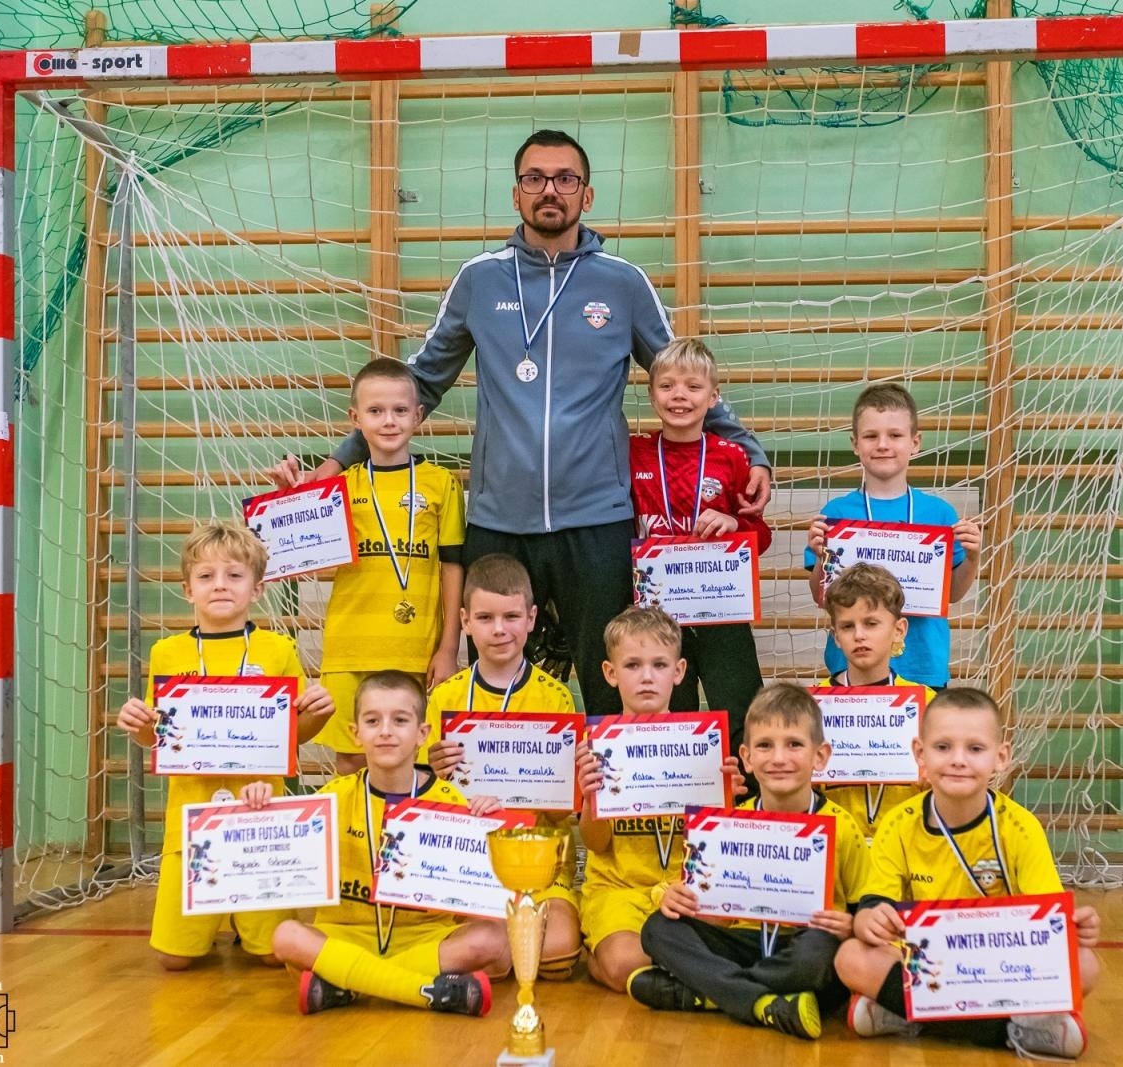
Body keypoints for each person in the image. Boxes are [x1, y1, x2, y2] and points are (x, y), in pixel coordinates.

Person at [276, 129, 771, 714]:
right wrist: (340, 459)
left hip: (597, 520)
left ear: (586, 195)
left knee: (607, 685)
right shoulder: (479, 279)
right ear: (516, 194)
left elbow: (683, 375)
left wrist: (750, 452)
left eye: (565, 179)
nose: (550, 190)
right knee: (500, 691)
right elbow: (420, 383)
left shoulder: (623, 283)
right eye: (535, 178)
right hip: (500, 520)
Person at [834, 688, 1101, 1059]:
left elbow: (1049, 923)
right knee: (850, 956)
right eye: (943, 747)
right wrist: (869, 921)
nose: (958, 760)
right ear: (920, 754)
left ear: (1000, 757)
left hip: (1001, 968)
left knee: (1085, 964)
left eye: (975, 749)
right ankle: (1012, 1030)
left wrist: (1075, 928)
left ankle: (910, 1016)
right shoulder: (897, 824)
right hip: (927, 964)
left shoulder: (1021, 828)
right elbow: (872, 908)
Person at [114, 521, 334, 971]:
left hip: (259, 822)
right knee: (174, 960)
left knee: (273, 955)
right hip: (190, 819)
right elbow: (160, 739)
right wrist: (137, 727)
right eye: (206, 576)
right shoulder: (167, 653)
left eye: (234, 575)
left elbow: (293, 736)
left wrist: (318, 713)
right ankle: (219, 913)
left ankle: (242, 914)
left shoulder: (277, 649)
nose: (220, 585)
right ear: (187, 590)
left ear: (257, 589)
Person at [244, 670, 510, 1016]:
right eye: (372, 721)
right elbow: (279, 849)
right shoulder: (333, 798)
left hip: (423, 936)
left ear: (422, 734)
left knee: (492, 938)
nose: (386, 731)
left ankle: (349, 982)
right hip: (345, 934)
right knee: (285, 936)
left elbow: (480, 891)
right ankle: (421, 990)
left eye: (400, 720)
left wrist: (488, 825)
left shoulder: (451, 803)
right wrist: (259, 805)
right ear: (356, 734)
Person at [632, 683, 869, 1040]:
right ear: (746, 757)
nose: (778, 758)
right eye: (764, 745)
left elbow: (864, 910)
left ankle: (714, 993)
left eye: (794, 744)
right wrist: (674, 897)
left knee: (822, 953)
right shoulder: (727, 823)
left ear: (820, 756)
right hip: (743, 940)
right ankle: (761, 1001)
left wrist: (850, 926)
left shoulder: (843, 827)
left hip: (804, 948)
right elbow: (700, 899)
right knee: (658, 929)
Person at [270, 358, 466, 774]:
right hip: (350, 650)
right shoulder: (337, 487)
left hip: (415, 651)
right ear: (355, 419)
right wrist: (288, 497)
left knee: (417, 763)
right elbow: (287, 552)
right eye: (376, 411)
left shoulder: (441, 483)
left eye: (399, 410)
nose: (389, 421)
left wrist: (449, 648)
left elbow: (452, 567)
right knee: (353, 760)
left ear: (418, 415)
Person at [424, 553, 583, 980]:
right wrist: (435, 776)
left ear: (531, 619)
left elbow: (563, 813)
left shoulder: (555, 698)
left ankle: (501, 942)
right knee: (493, 952)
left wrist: (558, 785)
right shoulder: (446, 698)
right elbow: (421, 803)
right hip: (468, 861)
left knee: (558, 953)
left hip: (541, 863)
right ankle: (498, 941)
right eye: (485, 617)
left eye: (511, 616)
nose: (499, 629)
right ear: (464, 621)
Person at [574, 607, 746, 992]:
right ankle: (702, 980)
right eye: (632, 665)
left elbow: (716, 850)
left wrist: (726, 808)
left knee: (738, 932)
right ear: (610, 673)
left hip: (687, 886)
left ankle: (661, 979)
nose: (647, 677)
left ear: (679, 671)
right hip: (620, 890)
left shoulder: (705, 744)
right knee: (622, 961)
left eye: (659, 664)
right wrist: (590, 799)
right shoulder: (596, 747)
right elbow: (596, 844)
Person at [628, 336, 771, 754]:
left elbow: (760, 534)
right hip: (655, 618)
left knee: (743, 717)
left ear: (713, 397)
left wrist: (735, 524)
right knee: (669, 723)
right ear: (651, 395)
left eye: (693, 387)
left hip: (721, 613)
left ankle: (748, 794)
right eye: (667, 386)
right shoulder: (633, 453)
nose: (679, 396)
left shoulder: (732, 457)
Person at [804, 382, 982, 689]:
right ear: (855, 443)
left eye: (895, 435)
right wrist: (821, 558)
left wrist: (973, 557)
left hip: (922, 666)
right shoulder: (836, 513)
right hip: (852, 667)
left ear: (915, 442)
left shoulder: (940, 514)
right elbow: (822, 598)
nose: (883, 445)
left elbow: (952, 594)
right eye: (871, 436)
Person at [816, 563, 936, 839]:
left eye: (871, 623)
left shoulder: (928, 704)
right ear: (836, 637)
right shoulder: (812, 706)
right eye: (847, 626)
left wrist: (937, 781)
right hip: (838, 845)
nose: (859, 635)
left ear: (899, 630)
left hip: (906, 843)